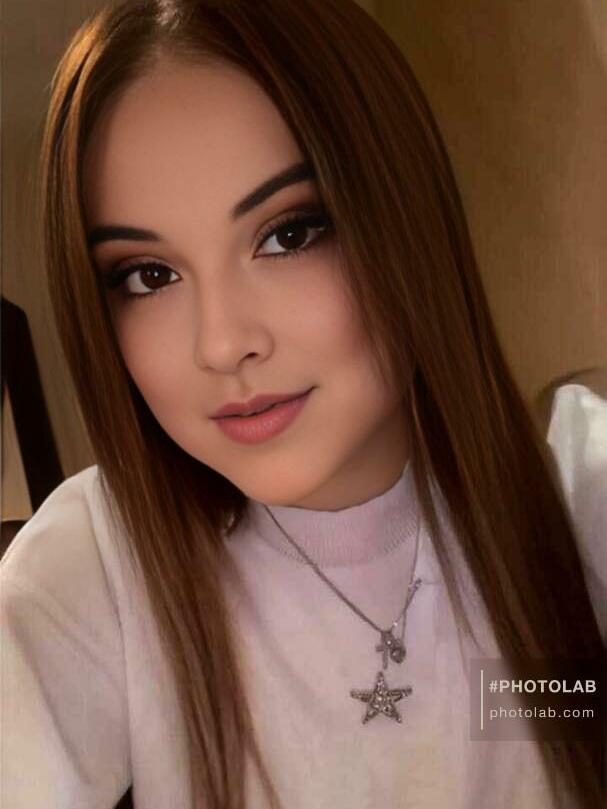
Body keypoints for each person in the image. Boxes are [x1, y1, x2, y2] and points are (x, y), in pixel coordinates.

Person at [1, 1, 605, 807]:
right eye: (148, 275)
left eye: (288, 234)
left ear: (403, 217)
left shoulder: (573, 496)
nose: (223, 343)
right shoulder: (92, 570)